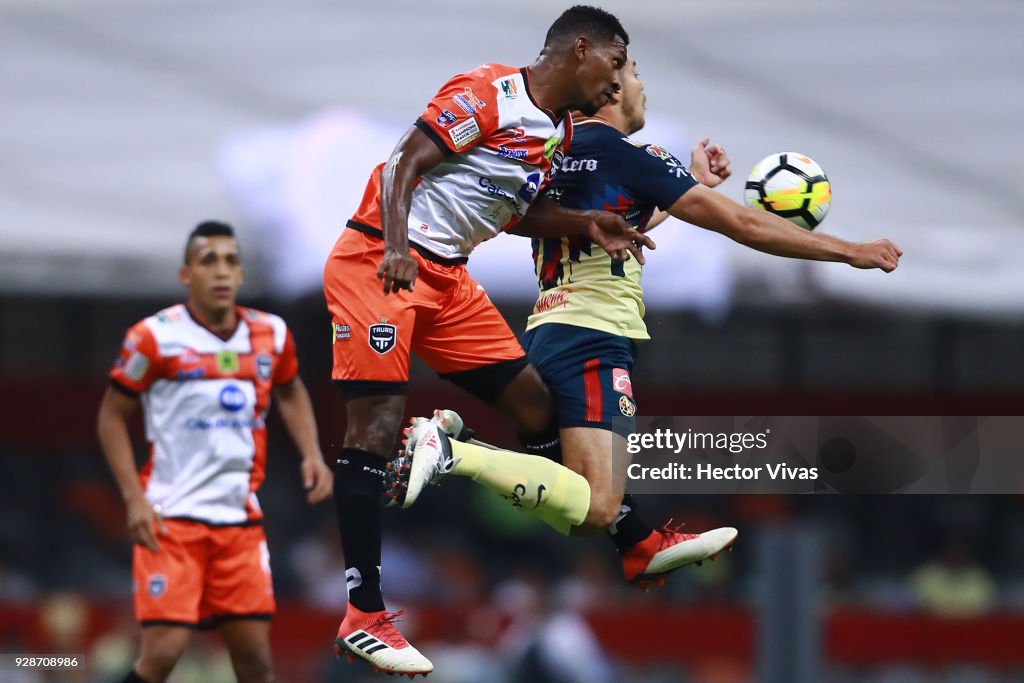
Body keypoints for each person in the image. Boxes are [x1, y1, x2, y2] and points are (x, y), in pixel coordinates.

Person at [398, 57, 902, 582]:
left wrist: (688, 183)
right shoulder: (628, 155)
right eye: (635, 75)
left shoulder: (556, 153)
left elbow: (616, 220)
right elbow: (741, 223)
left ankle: (639, 544)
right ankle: (454, 452)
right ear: (611, 90)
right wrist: (847, 251)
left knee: (580, 499)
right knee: (594, 505)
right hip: (595, 337)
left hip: (552, 329)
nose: (642, 87)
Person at [323, 6, 653, 677]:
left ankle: (461, 448)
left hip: (446, 278)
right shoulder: (489, 94)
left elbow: (505, 210)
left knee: (535, 406)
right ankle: (364, 612)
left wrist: (585, 223)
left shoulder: (557, 130)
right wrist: (394, 247)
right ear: (581, 50)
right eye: (616, 63)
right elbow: (403, 163)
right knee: (377, 423)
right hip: (380, 262)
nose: (617, 83)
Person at [97, 221, 333, 683]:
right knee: (164, 652)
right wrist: (132, 498)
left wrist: (310, 452)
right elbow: (110, 417)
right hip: (170, 518)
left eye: (231, 261)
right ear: (187, 275)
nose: (221, 271)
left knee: (255, 660)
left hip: (239, 523)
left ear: (242, 274)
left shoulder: (272, 334)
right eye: (208, 261)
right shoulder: (153, 337)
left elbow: (289, 389)